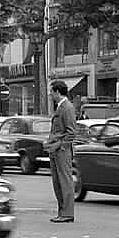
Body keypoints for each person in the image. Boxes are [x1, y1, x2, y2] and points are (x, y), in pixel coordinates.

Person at [44, 80, 77, 223]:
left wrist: (60, 146)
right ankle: (62, 212)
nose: (50, 94)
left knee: (65, 181)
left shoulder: (67, 107)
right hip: (55, 149)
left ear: (57, 92)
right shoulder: (60, 107)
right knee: (58, 182)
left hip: (61, 151)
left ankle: (67, 213)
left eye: (51, 91)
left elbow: (71, 132)